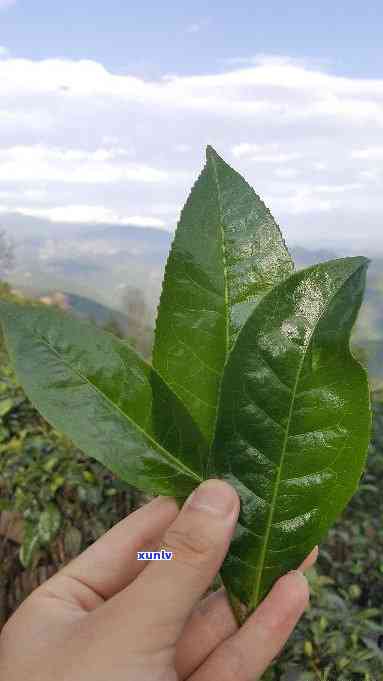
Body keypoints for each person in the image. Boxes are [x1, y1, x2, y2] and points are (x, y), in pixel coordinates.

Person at [0, 479, 317, 680]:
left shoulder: (147, 556)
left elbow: (151, 557)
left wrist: (166, 557)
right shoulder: (150, 556)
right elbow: (159, 557)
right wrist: (175, 556)